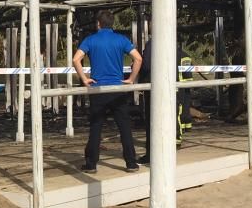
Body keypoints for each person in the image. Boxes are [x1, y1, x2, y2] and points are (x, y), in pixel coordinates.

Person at [72, 10, 143, 174]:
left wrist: (84, 79)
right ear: (112, 24)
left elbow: (76, 59)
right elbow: (138, 58)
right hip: (117, 89)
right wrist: (131, 79)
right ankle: (131, 163)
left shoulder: (90, 40)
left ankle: (91, 164)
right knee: (124, 126)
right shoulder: (121, 39)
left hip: (98, 89)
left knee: (96, 127)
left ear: (98, 24)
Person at [137, 32, 193, 164]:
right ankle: (169, 147)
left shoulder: (152, 44)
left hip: (155, 88)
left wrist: (140, 78)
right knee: (171, 116)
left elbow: (146, 65)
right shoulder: (173, 47)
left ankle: (152, 154)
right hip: (173, 87)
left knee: (153, 121)